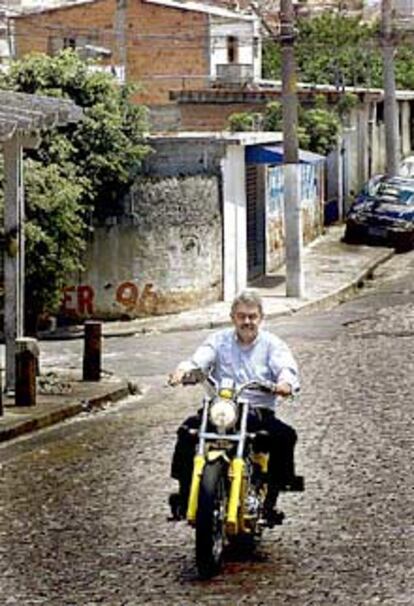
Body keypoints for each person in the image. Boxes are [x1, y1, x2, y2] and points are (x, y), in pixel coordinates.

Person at [168, 290, 304, 524]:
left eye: (252, 316)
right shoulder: (218, 341)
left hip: (257, 412)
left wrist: (285, 383)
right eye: (241, 316)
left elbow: (286, 367)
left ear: (261, 318)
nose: (247, 321)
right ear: (233, 317)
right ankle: (183, 494)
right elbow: (200, 359)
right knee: (187, 432)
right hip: (222, 408)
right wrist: (184, 371)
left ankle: (270, 502)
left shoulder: (273, 345)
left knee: (285, 436)